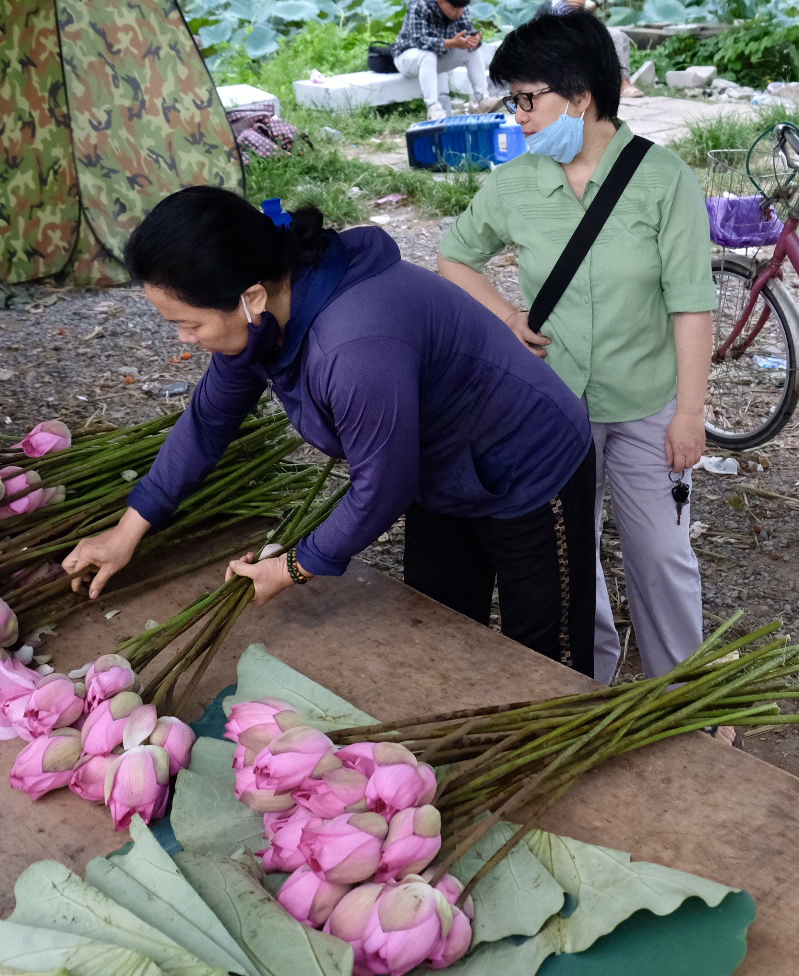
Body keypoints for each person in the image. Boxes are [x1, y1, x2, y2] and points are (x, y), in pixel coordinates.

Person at [62, 188, 599, 673]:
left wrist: (295, 566)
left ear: (250, 297)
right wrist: (126, 533)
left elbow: (382, 483)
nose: (185, 338)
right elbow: (207, 421)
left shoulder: (354, 343)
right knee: (441, 622)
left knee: (545, 652)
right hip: (439, 469)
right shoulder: (265, 317)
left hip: (528, 463)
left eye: (189, 323)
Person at [434, 10, 719, 700]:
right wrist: (507, 317)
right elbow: (453, 259)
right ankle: (585, 690)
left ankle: (679, 701)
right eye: (513, 99)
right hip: (555, 409)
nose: (519, 115)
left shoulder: (662, 179)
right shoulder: (515, 183)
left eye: (529, 99)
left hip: (647, 403)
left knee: (660, 555)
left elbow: (691, 302)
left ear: (581, 96)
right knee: (571, 559)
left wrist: (690, 411)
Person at [550, 0, 643, 100]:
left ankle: (620, 82)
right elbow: (573, 3)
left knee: (620, 37)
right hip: (565, 33)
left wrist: (599, 2)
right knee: (617, 36)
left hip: (577, 30)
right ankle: (624, 84)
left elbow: (580, 11)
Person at [392, 0, 491, 121]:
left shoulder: (458, 6)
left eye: (462, 9)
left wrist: (474, 40)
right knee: (428, 55)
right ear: (441, 1)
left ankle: (483, 100)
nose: (459, 13)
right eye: (454, 9)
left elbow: (467, 30)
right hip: (407, 58)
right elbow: (419, 41)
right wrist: (451, 43)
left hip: (438, 58)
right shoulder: (419, 4)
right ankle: (433, 108)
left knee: (471, 50)